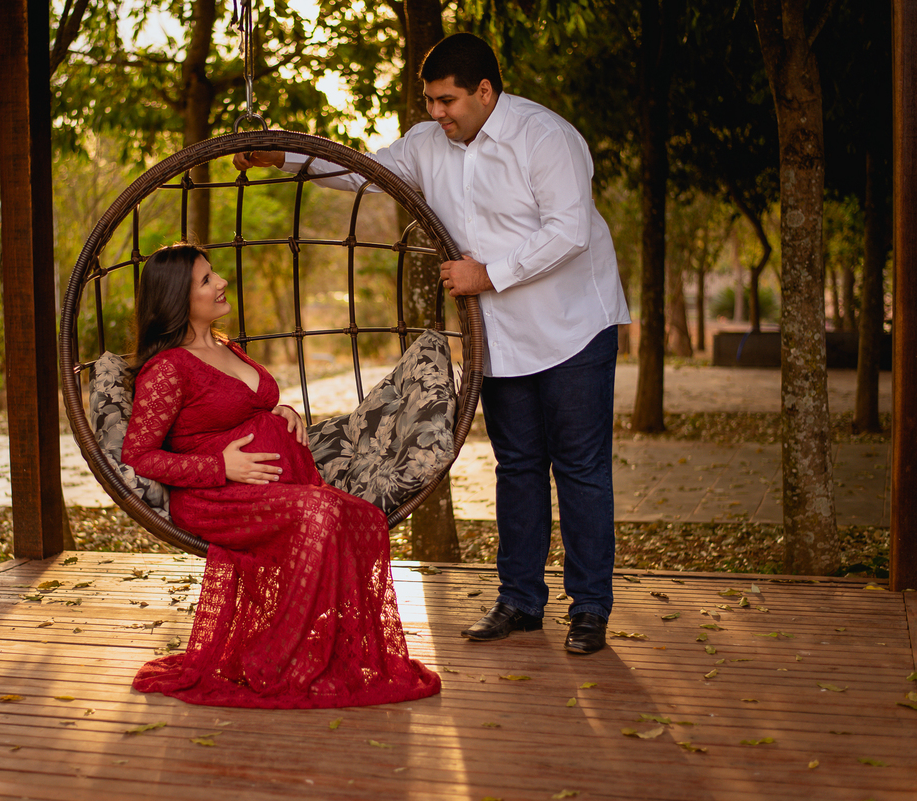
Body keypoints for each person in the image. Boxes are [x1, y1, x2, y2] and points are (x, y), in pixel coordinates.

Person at [234, 32, 630, 655]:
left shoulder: (545, 137)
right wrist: (279, 156)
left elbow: (569, 230)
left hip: (574, 326)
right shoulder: (427, 145)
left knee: (579, 469)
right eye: (429, 102)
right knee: (518, 467)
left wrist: (487, 274)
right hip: (502, 338)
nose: (436, 113)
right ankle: (521, 600)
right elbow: (362, 173)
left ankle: (590, 609)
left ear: (485, 91)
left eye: (447, 101)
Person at [121, 242, 441, 708]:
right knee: (320, 514)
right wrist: (219, 466)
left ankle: (318, 650)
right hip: (216, 497)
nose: (221, 282)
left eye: (215, 274)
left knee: (363, 517)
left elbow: (246, 406)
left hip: (272, 488)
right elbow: (139, 455)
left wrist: (281, 410)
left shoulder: (225, 346)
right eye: (206, 280)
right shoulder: (168, 369)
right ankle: (274, 658)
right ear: (177, 298)